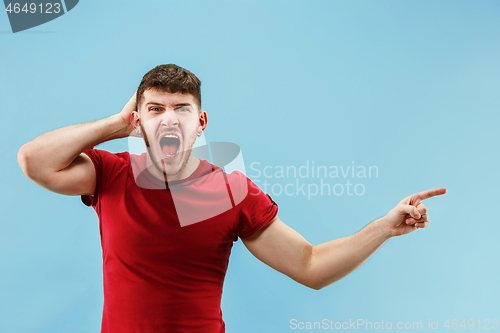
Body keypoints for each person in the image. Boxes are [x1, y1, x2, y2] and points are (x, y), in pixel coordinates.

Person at [17, 64, 447, 333]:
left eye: (181, 108)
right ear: (138, 121)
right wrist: (115, 123)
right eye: (155, 109)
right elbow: (34, 162)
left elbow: (310, 266)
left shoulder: (232, 192)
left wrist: (385, 227)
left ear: (200, 122)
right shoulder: (111, 174)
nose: (169, 117)